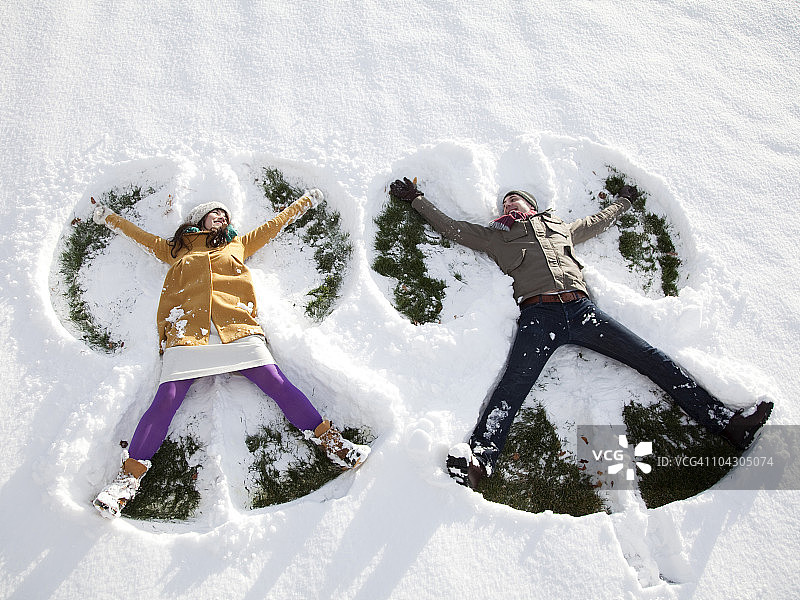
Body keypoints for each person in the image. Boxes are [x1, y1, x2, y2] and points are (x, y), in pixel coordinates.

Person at [389, 177, 773, 490]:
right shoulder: (496, 237)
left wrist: (622, 202)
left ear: (531, 206)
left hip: (582, 310)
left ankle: (726, 423)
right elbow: (452, 228)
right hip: (538, 316)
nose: (509, 207)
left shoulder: (561, 229)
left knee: (650, 358)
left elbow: (597, 221)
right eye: (505, 205)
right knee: (513, 386)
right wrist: (416, 200)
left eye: (515, 202)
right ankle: (478, 462)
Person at [91, 191, 370, 517]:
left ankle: (333, 444)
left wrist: (303, 203)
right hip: (187, 334)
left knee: (277, 383)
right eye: (215, 214)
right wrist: (108, 217)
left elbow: (274, 225)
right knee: (166, 399)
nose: (222, 219)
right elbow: (140, 236)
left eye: (225, 216)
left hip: (237, 329)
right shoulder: (178, 249)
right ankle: (126, 482)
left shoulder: (236, 245)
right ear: (199, 221)